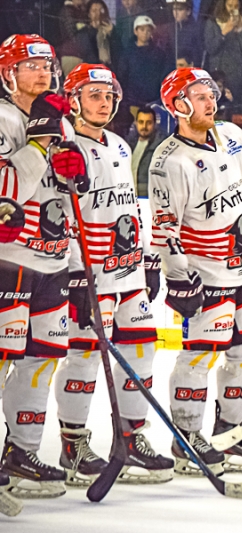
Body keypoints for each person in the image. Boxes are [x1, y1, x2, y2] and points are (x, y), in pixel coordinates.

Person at [149, 67, 242, 474]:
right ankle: (186, 439)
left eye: (211, 94)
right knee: (201, 356)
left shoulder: (235, 138)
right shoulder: (169, 161)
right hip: (206, 274)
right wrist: (176, 273)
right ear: (179, 105)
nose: (211, 102)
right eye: (200, 96)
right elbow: (164, 227)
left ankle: (230, 433)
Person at [52, 63, 172, 486]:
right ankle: (73, 443)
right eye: (94, 96)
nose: (104, 103)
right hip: (88, 275)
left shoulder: (121, 145)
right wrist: (74, 274)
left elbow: (127, 208)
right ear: (73, 100)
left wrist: (148, 260)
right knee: (83, 357)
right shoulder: (62, 146)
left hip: (127, 274)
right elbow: (58, 214)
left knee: (142, 353)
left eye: (108, 97)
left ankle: (132, 438)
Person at [0, 34, 85, 498]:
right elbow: (5, 185)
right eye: (30, 65)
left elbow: (68, 204)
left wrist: (75, 266)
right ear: (8, 73)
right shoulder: (3, 117)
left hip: (53, 263)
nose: (43, 73)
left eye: (47, 65)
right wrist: (37, 145)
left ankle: (22, 451)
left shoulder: (61, 124)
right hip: (8, 262)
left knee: (43, 358)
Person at [204, 0, 242, 104]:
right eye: (230, 5)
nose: (232, 9)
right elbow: (210, 48)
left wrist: (241, 31)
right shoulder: (213, 23)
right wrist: (224, 32)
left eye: (236, 6)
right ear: (224, 5)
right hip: (220, 74)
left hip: (239, 76)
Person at [127, 106, 164, 196]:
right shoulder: (127, 145)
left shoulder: (161, 147)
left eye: (149, 123)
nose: (144, 126)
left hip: (150, 199)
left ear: (155, 124)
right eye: (141, 122)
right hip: (129, 198)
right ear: (135, 123)